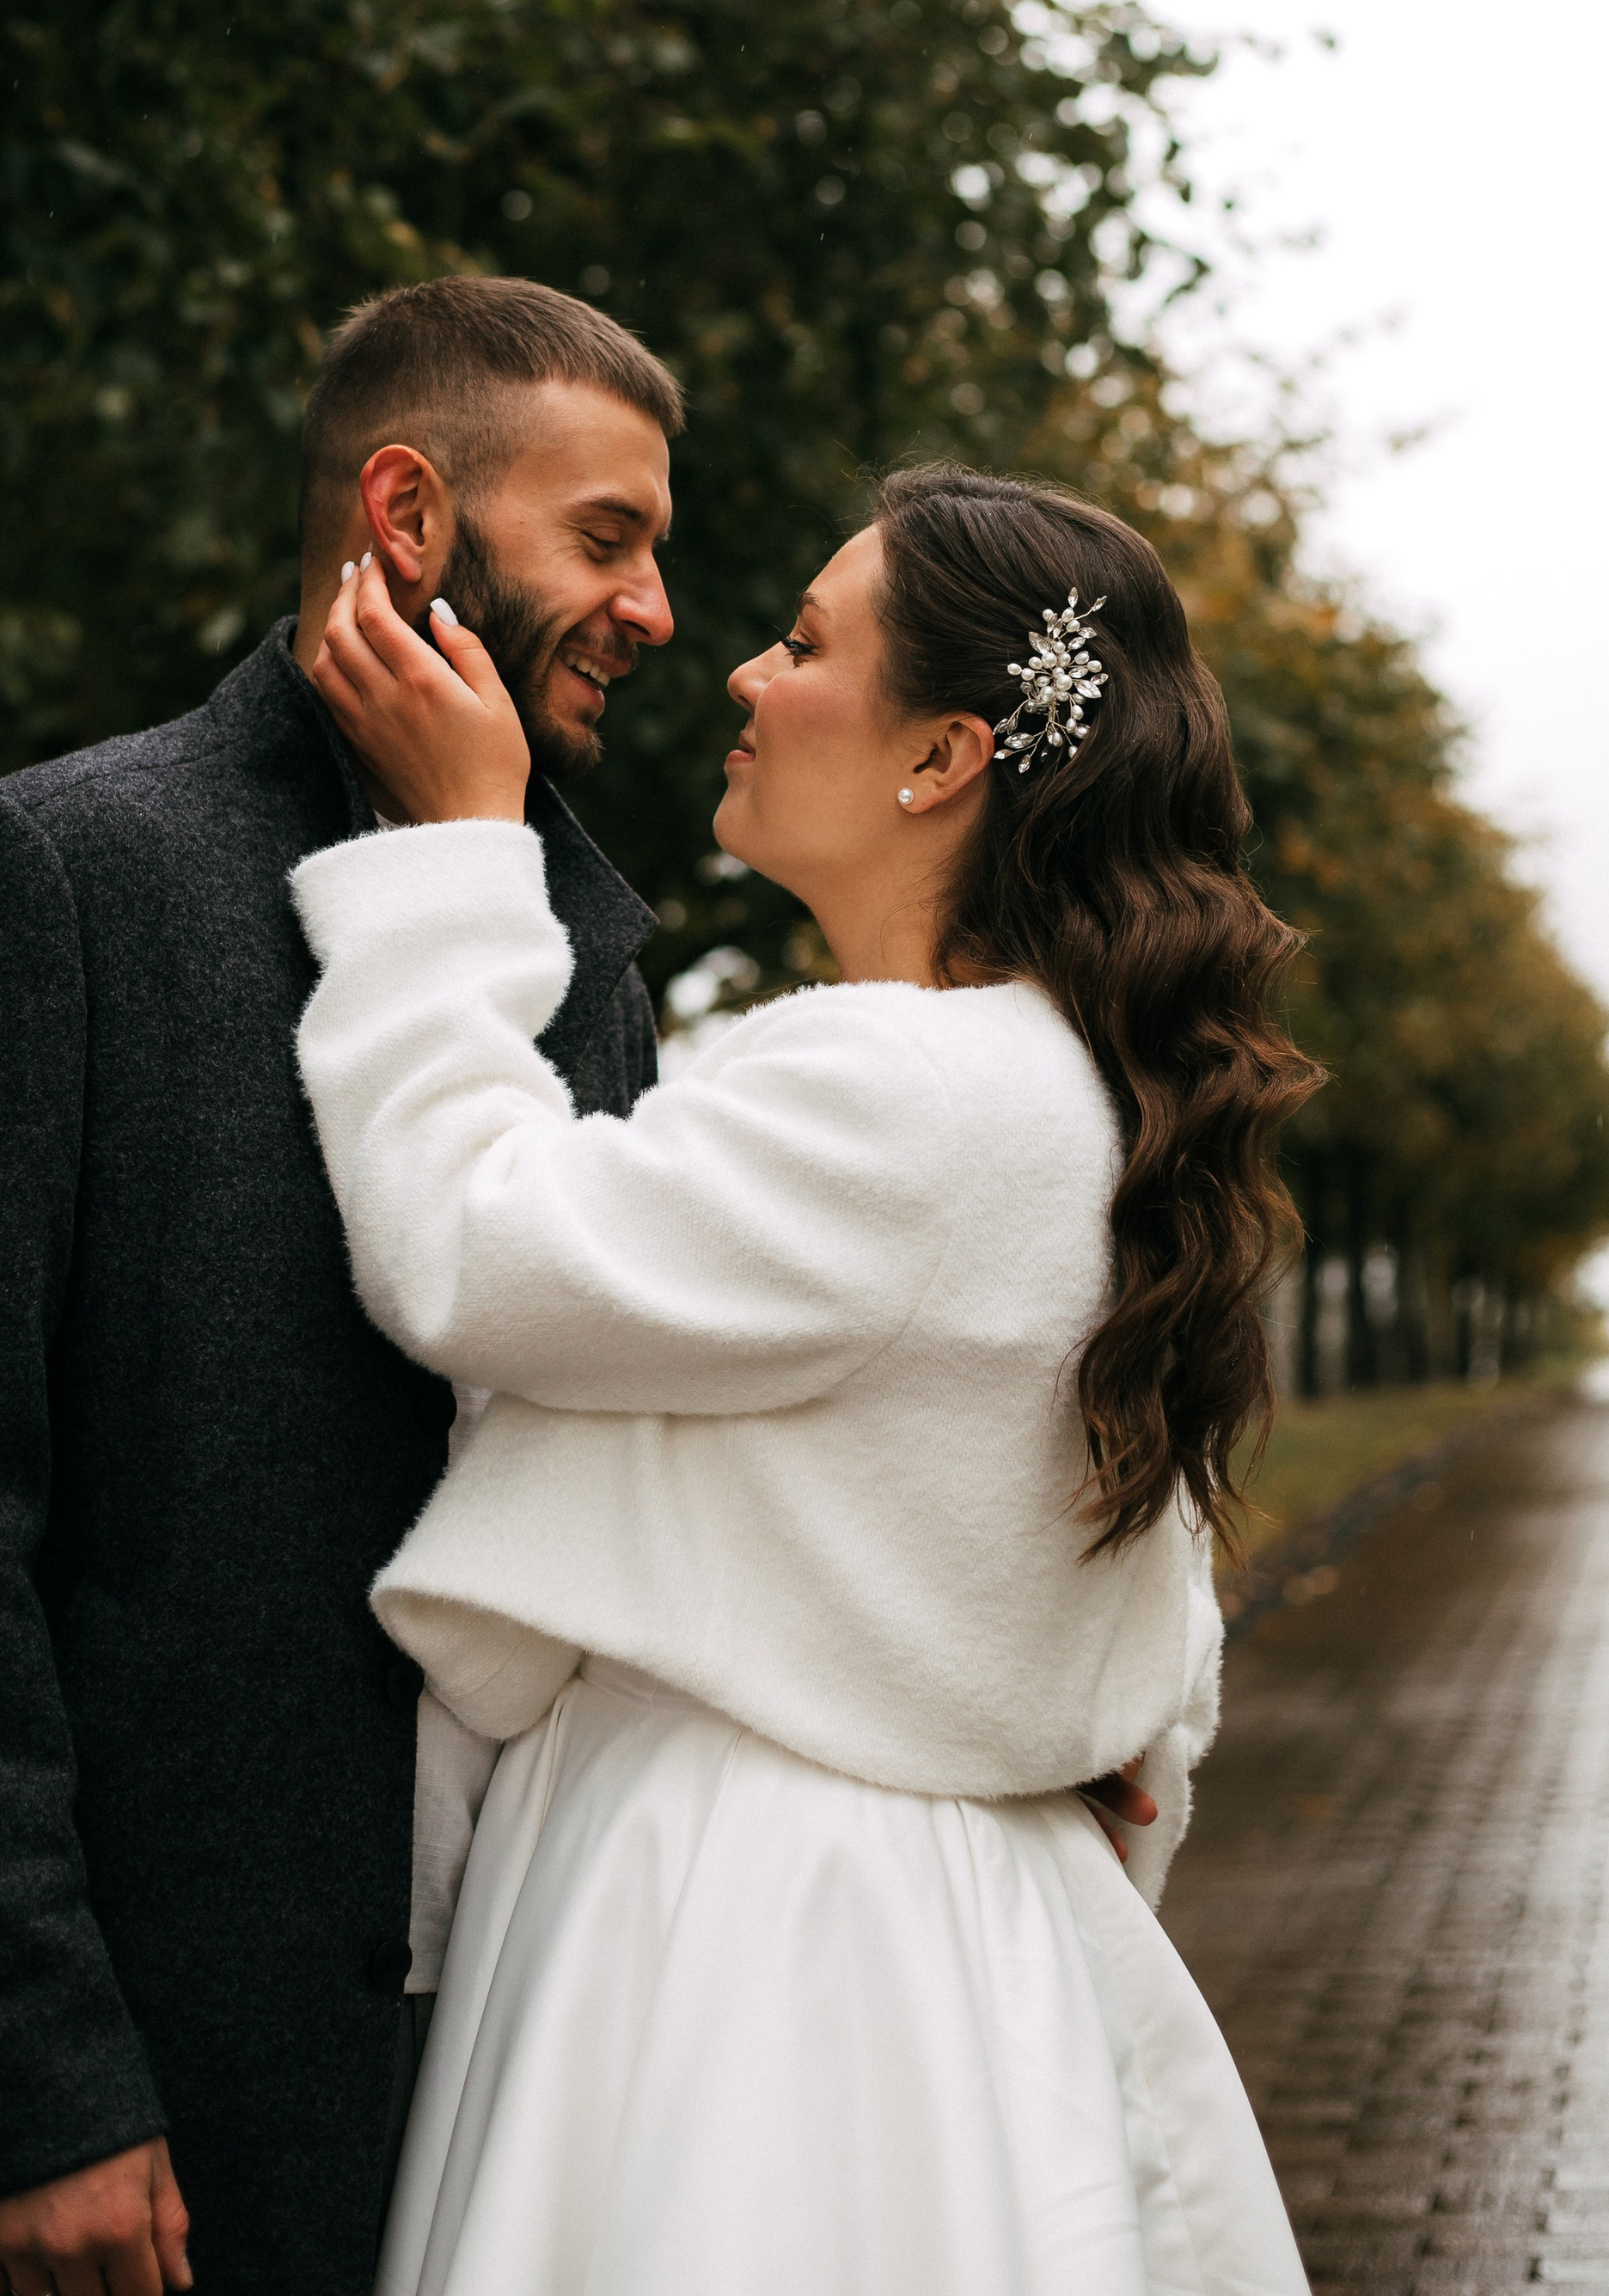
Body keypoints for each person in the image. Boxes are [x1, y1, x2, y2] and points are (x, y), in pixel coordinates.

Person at [0, 278, 689, 2296]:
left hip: (485, 2069)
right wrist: (29, 2087)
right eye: (607, 539)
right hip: (122, 2090)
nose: (655, 610)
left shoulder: (589, 965)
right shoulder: (51, 879)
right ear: (409, 515)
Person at [293, 460, 1320, 2296]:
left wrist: (457, 851)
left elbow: (466, 1246)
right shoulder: (1084, 1094)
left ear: (938, 758)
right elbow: (1145, 1647)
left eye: (801, 641)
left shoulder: (899, 1092)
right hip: (958, 1923)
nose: (743, 675)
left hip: (746, 1922)